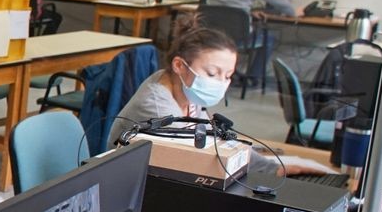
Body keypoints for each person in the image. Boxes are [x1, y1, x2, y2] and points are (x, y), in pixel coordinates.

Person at [108, 18, 329, 176]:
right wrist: (273, 168)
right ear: (179, 66)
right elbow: (197, 160)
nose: (220, 83)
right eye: (212, 74)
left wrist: (273, 164)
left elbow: (213, 138)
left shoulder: (181, 87)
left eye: (228, 75)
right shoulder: (158, 108)